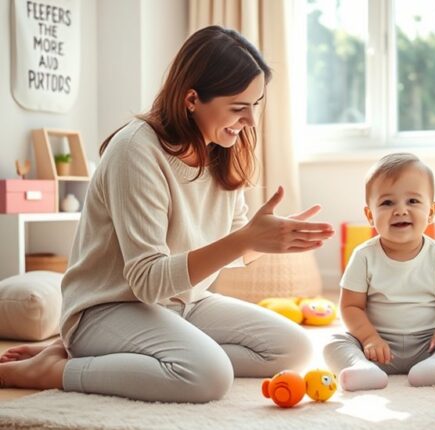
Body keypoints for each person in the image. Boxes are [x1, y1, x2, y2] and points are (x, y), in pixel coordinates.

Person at [0, 26, 334, 403]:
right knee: (208, 376)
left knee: (294, 349)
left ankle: (123, 357)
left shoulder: (221, 148)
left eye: (255, 105)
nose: (251, 121)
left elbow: (233, 244)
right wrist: (244, 240)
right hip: (108, 308)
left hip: (184, 304)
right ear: (192, 99)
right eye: (239, 107)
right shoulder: (135, 150)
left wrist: (270, 238)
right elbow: (148, 281)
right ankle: (54, 370)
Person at [323, 153, 435, 391]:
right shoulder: (364, 256)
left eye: (412, 201)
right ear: (370, 215)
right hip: (378, 348)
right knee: (333, 343)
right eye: (387, 203)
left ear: (431, 212)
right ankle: (362, 368)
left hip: (429, 344)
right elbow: (351, 306)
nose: (400, 210)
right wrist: (369, 338)